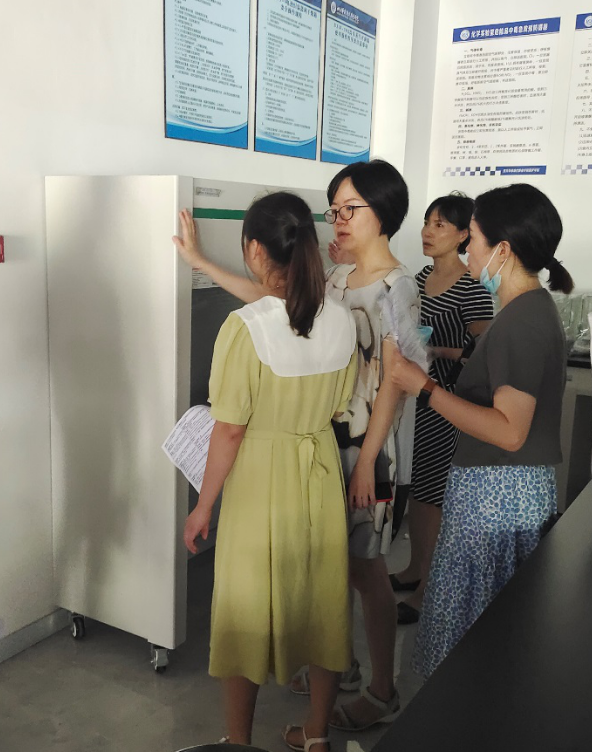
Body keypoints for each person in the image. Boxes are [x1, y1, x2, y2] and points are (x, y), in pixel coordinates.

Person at [177, 160, 420, 733]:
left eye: (350, 209)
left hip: (361, 450)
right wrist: (203, 264)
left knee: (361, 571)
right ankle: (328, 695)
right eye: (333, 210)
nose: (339, 219)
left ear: (382, 213)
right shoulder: (335, 283)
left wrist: (366, 461)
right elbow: (276, 304)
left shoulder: (398, 287)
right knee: (325, 580)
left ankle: (380, 689)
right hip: (322, 446)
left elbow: (396, 380)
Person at [176, 191, 358, 751]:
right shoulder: (340, 319)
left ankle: (238, 741)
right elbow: (339, 408)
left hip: (261, 477)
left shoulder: (244, 328)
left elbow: (229, 430)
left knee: (246, 602)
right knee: (325, 602)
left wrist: (203, 505)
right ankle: (318, 735)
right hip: (320, 470)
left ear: (255, 250)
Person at [389, 183, 574, 679]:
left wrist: (423, 387)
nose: (467, 247)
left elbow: (510, 431)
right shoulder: (524, 311)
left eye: (471, 237)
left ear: (503, 250)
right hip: (499, 488)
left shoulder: (521, 322)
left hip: (498, 494)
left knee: (476, 639)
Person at [389, 194, 494, 625]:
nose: (427, 232)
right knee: (417, 489)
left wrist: (436, 351)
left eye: (440, 225)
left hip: (447, 401)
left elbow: (483, 352)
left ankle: (429, 588)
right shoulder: (417, 279)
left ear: (464, 234)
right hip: (415, 400)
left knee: (434, 495)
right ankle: (415, 568)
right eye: (427, 223)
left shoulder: (472, 286)